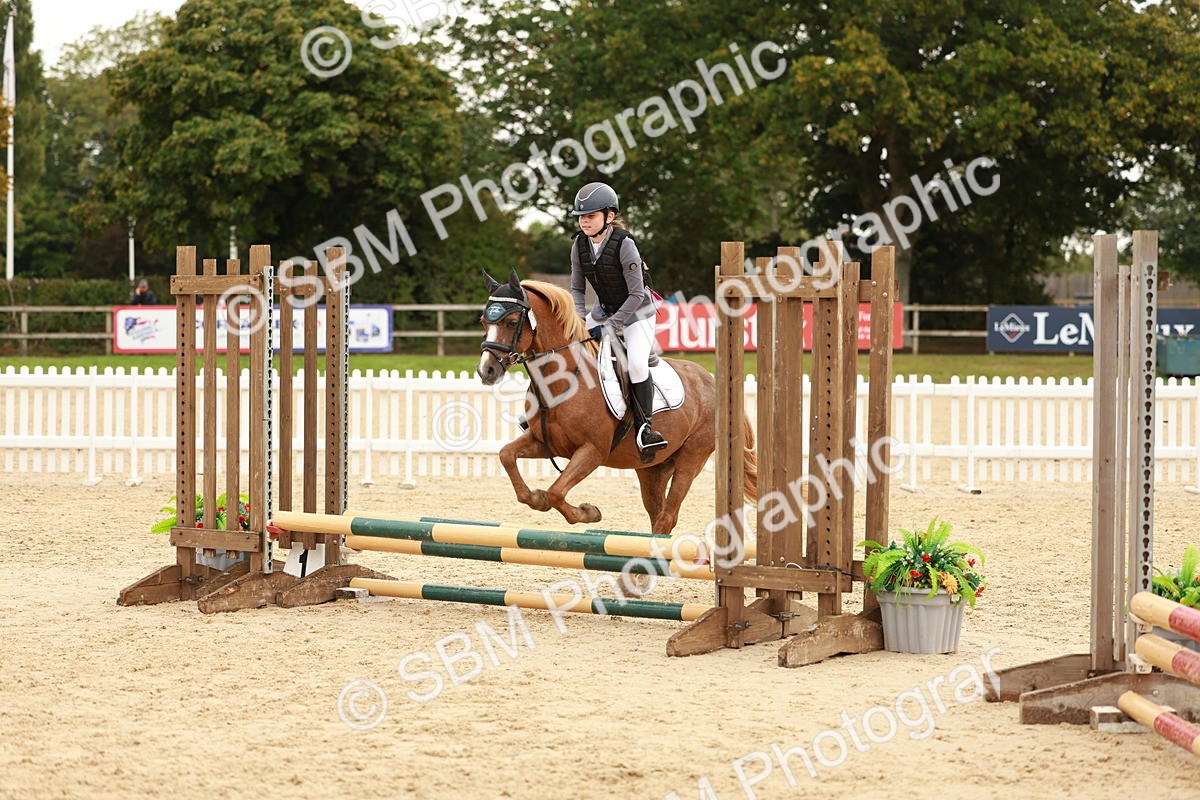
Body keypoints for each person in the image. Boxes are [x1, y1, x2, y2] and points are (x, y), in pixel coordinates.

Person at [569, 181, 667, 459]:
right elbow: (576, 288)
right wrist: (577, 318)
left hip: (637, 314)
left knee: (636, 365)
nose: (584, 221)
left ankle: (645, 429)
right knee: (567, 347)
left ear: (609, 217)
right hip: (603, 310)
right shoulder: (579, 245)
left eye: (590, 215)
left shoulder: (625, 245)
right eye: (581, 216)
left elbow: (636, 294)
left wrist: (611, 327)